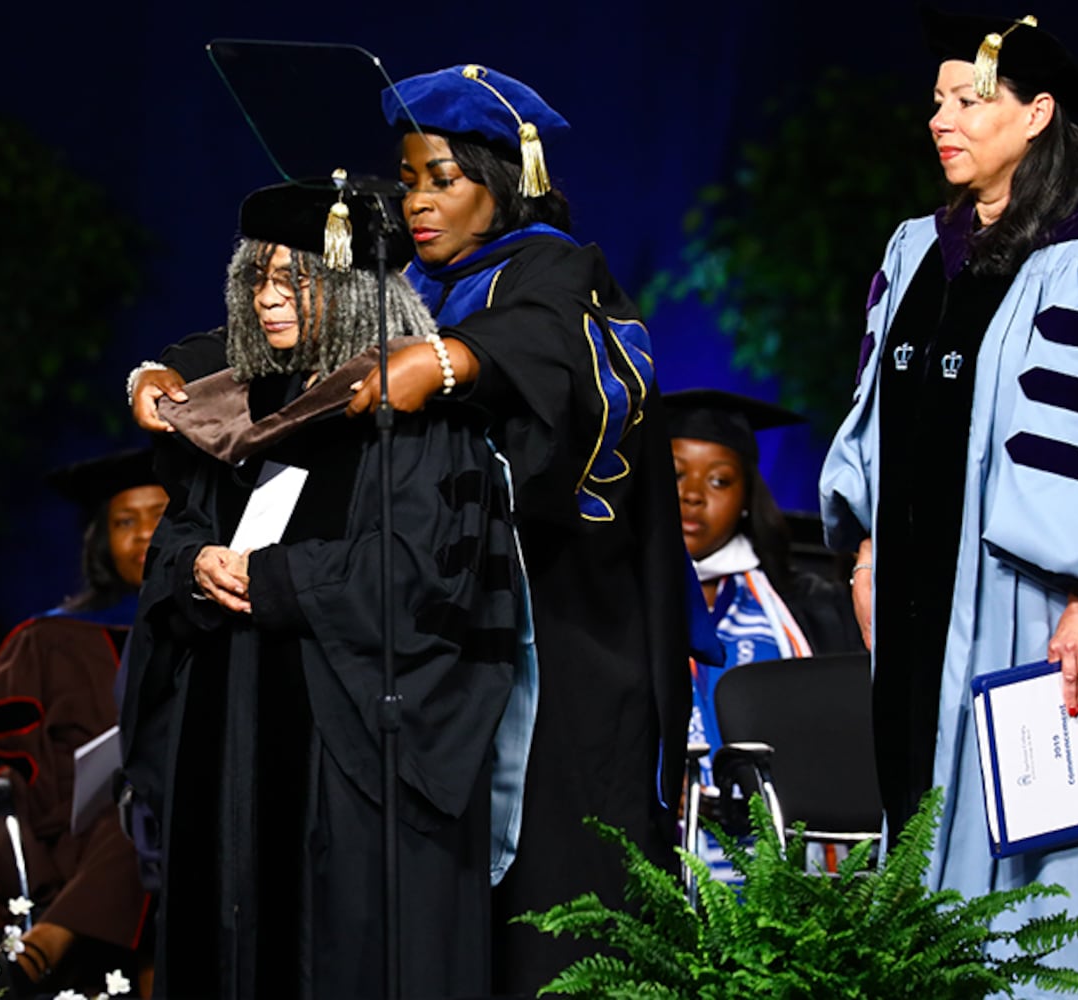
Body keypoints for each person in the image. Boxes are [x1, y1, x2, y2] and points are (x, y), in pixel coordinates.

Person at [128, 64, 693, 998]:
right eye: (409, 179)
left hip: (554, 631)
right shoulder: (419, 284)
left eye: (444, 179)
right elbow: (293, 333)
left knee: (553, 895)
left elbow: (559, 356)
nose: (418, 203)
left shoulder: (555, 271)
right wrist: (161, 370)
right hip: (431, 635)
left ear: (505, 181)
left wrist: (453, 357)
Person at [818, 10, 1078, 996]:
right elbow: (880, 419)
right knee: (925, 828)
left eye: (971, 100)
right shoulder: (918, 248)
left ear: (1038, 113)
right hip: (920, 609)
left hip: (1043, 616)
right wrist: (869, 554)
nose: (942, 119)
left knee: (1058, 864)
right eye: (937, 101)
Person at [116, 176, 526, 999]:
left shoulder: (416, 421)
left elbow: (414, 575)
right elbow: (180, 536)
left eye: (291, 281)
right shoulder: (237, 412)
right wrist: (198, 566)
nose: (267, 300)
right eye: (254, 281)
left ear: (349, 291)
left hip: (350, 752)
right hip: (228, 738)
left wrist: (268, 578)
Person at [0, 446, 166, 997]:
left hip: (172, 821)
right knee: (141, 809)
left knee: (152, 801)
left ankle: (45, 947)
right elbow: (5, 757)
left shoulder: (209, 631)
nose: (142, 536)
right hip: (68, 830)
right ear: (101, 540)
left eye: (159, 517)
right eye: (123, 522)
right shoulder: (46, 638)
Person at [666, 388, 858, 770]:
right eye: (675, 474)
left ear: (745, 500)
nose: (693, 496)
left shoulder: (812, 608)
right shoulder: (611, 602)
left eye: (719, 481)